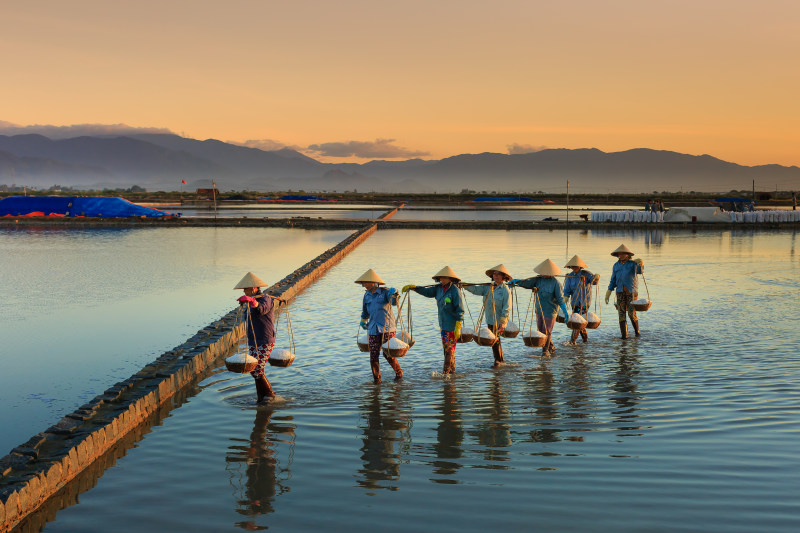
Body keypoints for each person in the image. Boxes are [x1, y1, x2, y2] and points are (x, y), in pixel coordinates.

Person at [402, 266, 465, 374]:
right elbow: (426, 292)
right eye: (441, 278)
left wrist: (458, 325)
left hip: (453, 325)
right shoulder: (438, 289)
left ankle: (445, 374)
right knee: (447, 350)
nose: (442, 280)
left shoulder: (455, 291)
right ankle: (452, 372)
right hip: (443, 324)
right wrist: (415, 288)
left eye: (444, 278)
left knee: (449, 350)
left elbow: (460, 309)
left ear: (450, 278)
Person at [235, 271, 285, 404]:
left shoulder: (265, 299)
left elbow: (261, 310)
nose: (245, 292)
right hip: (253, 340)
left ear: (253, 288)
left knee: (257, 369)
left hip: (265, 339)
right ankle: (261, 397)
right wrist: (247, 303)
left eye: (246, 289)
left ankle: (269, 394)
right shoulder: (252, 301)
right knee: (254, 369)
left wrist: (252, 301)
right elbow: (249, 317)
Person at [510, 259, 569, 357]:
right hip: (539, 309)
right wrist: (517, 282)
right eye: (543, 272)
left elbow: (560, 298)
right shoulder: (538, 279)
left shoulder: (556, 283)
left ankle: (545, 351)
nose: (544, 274)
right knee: (541, 331)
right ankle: (551, 347)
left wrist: (565, 311)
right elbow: (527, 283)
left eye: (546, 273)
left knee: (546, 331)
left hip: (550, 310)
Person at [356, 268, 403, 383]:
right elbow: (365, 312)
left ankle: (399, 373)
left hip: (387, 328)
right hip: (372, 329)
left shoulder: (385, 292)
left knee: (388, 354)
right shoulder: (366, 296)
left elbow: (393, 302)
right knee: (373, 356)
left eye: (366, 282)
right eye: (363, 282)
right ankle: (377, 379)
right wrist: (363, 321)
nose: (364, 284)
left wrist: (395, 294)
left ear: (373, 282)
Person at [463, 264, 512, 367]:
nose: (496, 276)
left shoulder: (505, 290)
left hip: (499, 321)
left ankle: (498, 361)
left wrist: (503, 323)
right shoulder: (488, 287)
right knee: (495, 341)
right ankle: (500, 360)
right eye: (494, 274)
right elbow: (476, 290)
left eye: (498, 274)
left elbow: (507, 308)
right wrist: (465, 285)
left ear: (503, 277)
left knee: (495, 341)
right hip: (489, 319)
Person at [604, 244, 644, 339]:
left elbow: (640, 272)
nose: (621, 255)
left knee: (631, 313)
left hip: (631, 292)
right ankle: (624, 336)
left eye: (623, 253)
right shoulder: (616, 265)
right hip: (620, 292)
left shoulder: (633, 264)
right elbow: (613, 279)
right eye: (619, 254)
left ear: (627, 254)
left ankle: (637, 333)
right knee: (621, 314)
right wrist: (608, 291)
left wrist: (641, 264)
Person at [562, 255, 600, 344]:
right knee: (580, 321)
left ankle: (572, 341)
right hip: (574, 302)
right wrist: (565, 299)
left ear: (580, 266)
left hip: (584, 302)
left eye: (576, 266)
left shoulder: (586, 274)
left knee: (578, 321)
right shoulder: (570, 276)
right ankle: (585, 340)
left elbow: (594, 282)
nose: (574, 268)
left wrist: (596, 277)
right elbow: (567, 290)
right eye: (572, 266)